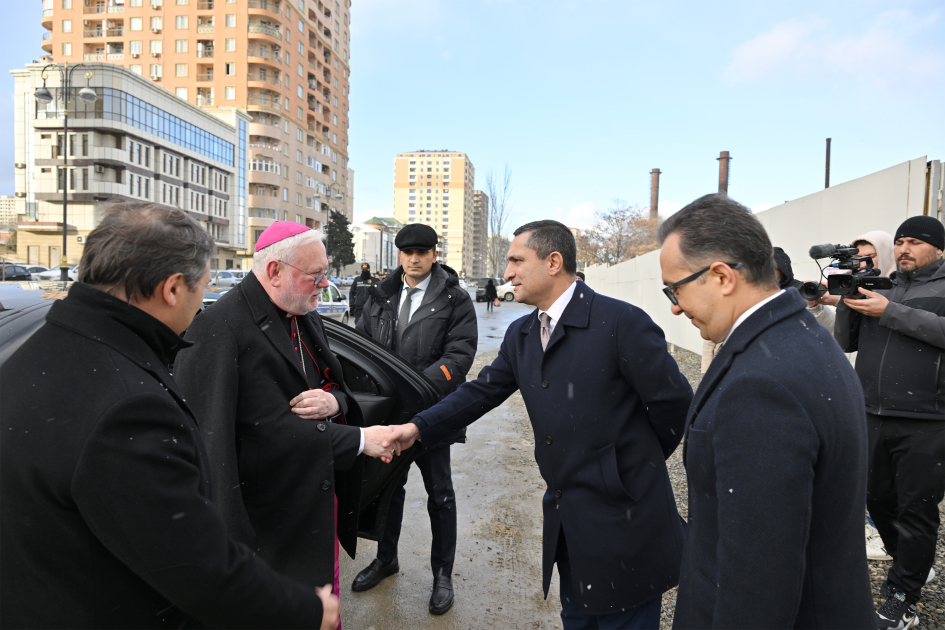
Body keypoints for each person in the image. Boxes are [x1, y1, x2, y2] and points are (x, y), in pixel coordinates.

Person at [0, 202, 339, 629]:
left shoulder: (33, 354)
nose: (203, 302)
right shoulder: (128, 406)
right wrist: (307, 610)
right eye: (203, 286)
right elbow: (189, 562)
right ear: (173, 289)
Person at [385, 220, 693, 629]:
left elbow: (675, 404)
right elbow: (480, 393)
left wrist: (627, 467)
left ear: (553, 262)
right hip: (569, 528)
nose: (507, 272)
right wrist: (417, 428)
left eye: (516, 260)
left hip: (626, 526)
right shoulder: (523, 333)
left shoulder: (620, 323)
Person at [657, 194, 875, 629]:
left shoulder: (760, 383)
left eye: (675, 288)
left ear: (720, 276)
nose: (675, 307)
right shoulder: (799, 339)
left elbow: (757, 581)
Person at [174, 222, 395, 618]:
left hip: (313, 505)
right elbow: (216, 445)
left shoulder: (303, 312)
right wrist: (231, 549)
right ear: (274, 271)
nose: (324, 284)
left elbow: (335, 388)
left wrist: (334, 402)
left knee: (322, 608)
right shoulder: (218, 328)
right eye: (316, 275)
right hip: (267, 526)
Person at [351, 223, 477, 615]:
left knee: (440, 495)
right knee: (389, 490)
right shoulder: (379, 297)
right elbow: (363, 348)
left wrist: (417, 390)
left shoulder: (454, 299)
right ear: (399, 255)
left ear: (434, 254)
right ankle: (386, 559)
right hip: (389, 418)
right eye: (408, 252)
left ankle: (443, 574)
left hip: (433, 414)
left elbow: (459, 356)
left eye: (423, 251)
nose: (415, 258)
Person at [834, 215, 945, 630]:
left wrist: (892, 311)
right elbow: (846, 342)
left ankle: (902, 599)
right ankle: (913, 566)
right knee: (875, 498)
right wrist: (848, 299)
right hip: (872, 413)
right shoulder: (884, 286)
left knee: (915, 509)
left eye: (914, 241)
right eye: (900, 242)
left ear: (937, 248)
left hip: (927, 418)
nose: (903, 249)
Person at [803, 230, 896, 562]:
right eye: (856, 258)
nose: (862, 264)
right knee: (863, 473)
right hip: (858, 394)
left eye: (868, 256)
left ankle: (906, 555)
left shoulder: (900, 295)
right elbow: (837, 337)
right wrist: (821, 304)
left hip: (899, 403)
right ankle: (874, 531)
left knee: (894, 487)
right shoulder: (848, 293)